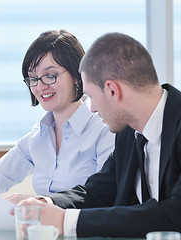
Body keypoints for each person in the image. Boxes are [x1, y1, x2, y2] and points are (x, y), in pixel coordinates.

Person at [17, 32, 181, 238]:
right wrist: (47, 203)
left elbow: (175, 214)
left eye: (92, 96)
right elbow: (98, 192)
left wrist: (64, 221)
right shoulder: (129, 134)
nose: (92, 109)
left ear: (113, 91)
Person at [0, 30, 114, 209]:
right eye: (33, 78)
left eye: (50, 75)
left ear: (77, 76)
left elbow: (102, 196)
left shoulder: (104, 128)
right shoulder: (38, 136)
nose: (40, 86)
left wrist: (36, 203)